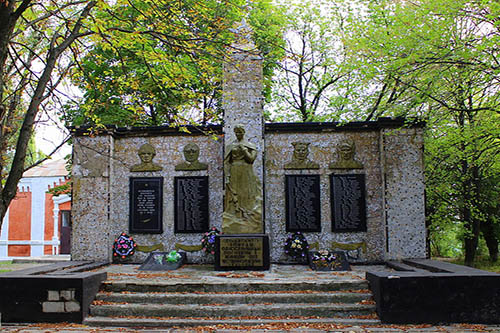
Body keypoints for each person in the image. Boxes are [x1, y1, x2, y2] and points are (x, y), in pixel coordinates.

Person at [222, 124, 262, 234]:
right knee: (235, 192)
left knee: (246, 191)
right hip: (235, 169)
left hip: (246, 170)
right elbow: (226, 161)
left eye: (240, 132)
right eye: (236, 132)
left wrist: (244, 150)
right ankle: (236, 213)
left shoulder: (250, 145)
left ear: (244, 133)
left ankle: (248, 215)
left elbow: (251, 159)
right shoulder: (231, 145)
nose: (238, 134)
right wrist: (227, 175)